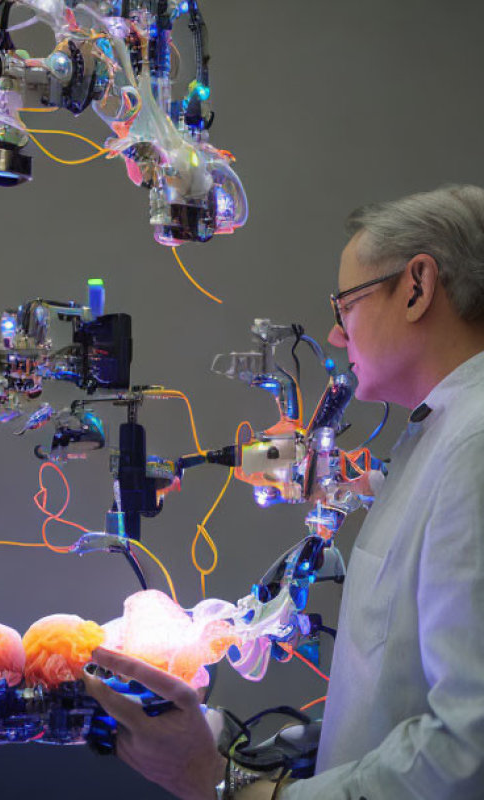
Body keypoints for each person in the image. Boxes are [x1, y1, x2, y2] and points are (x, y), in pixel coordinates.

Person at [83, 184, 484, 799]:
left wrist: (235, 790)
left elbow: (466, 748)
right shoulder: (438, 436)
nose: (334, 332)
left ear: (417, 287)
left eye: (345, 303)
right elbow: (399, 698)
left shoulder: (473, 447)